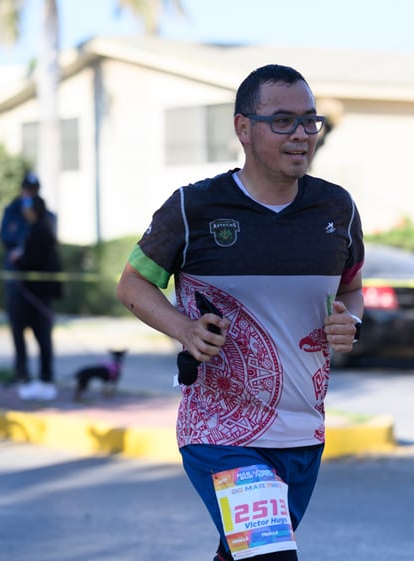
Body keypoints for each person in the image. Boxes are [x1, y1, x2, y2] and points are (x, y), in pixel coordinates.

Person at [116, 64, 364, 561]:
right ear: (243, 128)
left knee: (242, 556)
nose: (300, 135)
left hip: (303, 432)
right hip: (221, 431)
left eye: (309, 121)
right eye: (283, 121)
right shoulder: (194, 208)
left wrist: (350, 320)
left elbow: (352, 290)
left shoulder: (337, 209)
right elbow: (132, 284)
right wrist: (183, 328)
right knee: (271, 557)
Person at [0, 172, 55, 387]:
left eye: (34, 190)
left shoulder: (43, 214)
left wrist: (25, 250)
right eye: (27, 189)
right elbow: (5, 237)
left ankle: (45, 377)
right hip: (17, 284)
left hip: (38, 286)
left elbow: (45, 246)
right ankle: (21, 373)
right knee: (17, 329)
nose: (30, 194)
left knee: (42, 333)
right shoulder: (12, 211)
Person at [7, 195, 62, 401]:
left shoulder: (41, 230)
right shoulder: (39, 228)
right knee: (36, 337)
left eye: (28, 206)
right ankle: (37, 379)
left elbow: (35, 260)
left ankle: (45, 381)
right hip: (36, 294)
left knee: (42, 338)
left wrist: (19, 258)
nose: (24, 210)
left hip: (38, 295)